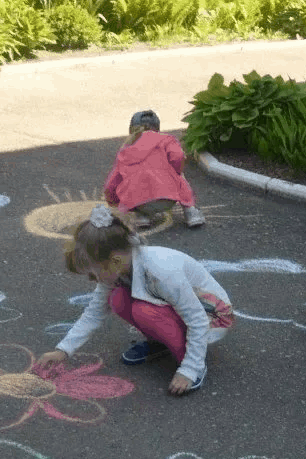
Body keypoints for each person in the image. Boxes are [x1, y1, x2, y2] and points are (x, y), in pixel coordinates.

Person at [36, 205, 232, 395]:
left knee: (143, 310)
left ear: (114, 261)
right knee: (118, 299)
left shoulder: (161, 271)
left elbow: (197, 319)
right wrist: (63, 350)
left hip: (212, 318)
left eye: (93, 275)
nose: (93, 280)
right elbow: (94, 313)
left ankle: (191, 362)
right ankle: (161, 343)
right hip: (183, 312)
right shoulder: (117, 268)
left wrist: (189, 369)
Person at [103, 110, 206, 229]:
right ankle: (191, 212)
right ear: (157, 127)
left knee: (130, 182)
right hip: (168, 198)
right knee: (178, 176)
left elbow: (112, 183)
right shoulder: (166, 139)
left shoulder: (126, 149)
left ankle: (142, 216)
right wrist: (174, 172)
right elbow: (178, 156)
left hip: (139, 202)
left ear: (132, 129)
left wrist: (113, 202)